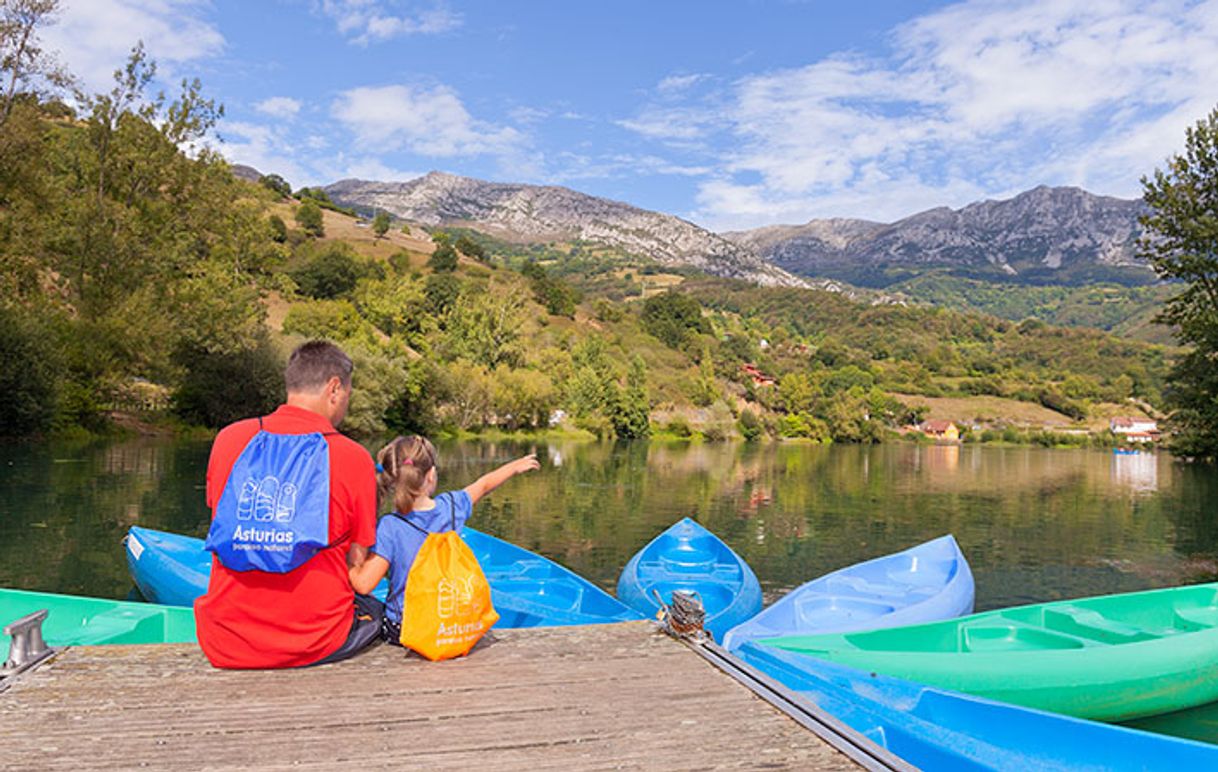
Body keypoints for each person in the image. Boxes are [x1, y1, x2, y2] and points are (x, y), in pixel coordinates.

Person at [195, 340, 380, 669]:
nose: (344, 407)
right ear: (334, 388)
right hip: (316, 641)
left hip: (224, 642)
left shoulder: (229, 440)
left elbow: (221, 522)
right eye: (347, 397)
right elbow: (357, 558)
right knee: (376, 610)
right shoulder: (354, 458)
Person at [349, 435, 540, 643]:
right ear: (431, 475)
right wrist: (515, 466)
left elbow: (364, 585)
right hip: (450, 623)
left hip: (406, 628)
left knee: (365, 604)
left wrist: (351, 554)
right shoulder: (452, 506)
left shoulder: (390, 526)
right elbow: (484, 485)